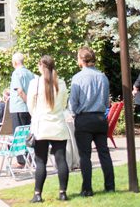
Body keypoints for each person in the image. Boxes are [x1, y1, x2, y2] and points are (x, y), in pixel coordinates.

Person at [69, 47, 114, 197]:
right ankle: (110, 186)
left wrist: (74, 112)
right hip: (100, 117)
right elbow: (107, 100)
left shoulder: (78, 77)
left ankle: (87, 188)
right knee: (104, 153)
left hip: (84, 118)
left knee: (85, 155)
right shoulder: (102, 77)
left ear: (82, 60)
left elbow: (73, 102)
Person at [27, 55, 70, 203]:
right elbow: (64, 104)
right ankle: (63, 192)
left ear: (41, 66)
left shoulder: (35, 83)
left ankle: (37, 194)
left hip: (42, 127)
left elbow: (30, 106)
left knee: (40, 162)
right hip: (58, 125)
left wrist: (37, 115)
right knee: (61, 160)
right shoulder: (61, 83)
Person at [9, 52, 35, 166]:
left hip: (19, 107)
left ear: (15, 62)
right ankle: (29, 157)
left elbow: (19, 90)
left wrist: (26, 100)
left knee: (18, 134)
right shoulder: (30, 73)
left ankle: (21, 160)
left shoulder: (16, 73)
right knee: (27, 133)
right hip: (27, 109)